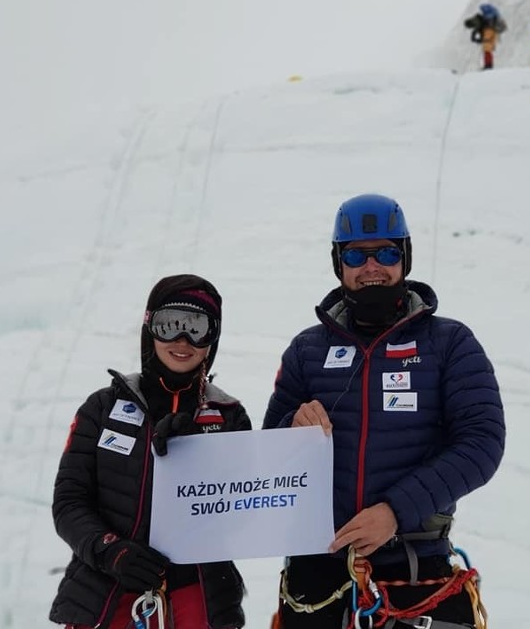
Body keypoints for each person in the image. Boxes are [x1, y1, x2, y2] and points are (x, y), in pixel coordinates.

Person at [264, 194, 506, 629]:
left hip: (416, 567)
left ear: (405, 258)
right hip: (317, 574)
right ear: (338, 263)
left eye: (386, 253)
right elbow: (269, 451)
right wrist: (290, 426)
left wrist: (394, 513)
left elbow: (481, 443)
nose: (371, 267)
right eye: (356, 254)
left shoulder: (449, 343)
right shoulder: (307, 350)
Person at [49, 274, 250, 629]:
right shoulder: (102, 408)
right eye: (169, 325)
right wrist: (110, 550)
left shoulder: (230, 417)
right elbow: (69, 501)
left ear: (212, 338)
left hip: (200, 596)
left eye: (197, 328)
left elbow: (244, 512)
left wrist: (199, 454)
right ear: (149, 327)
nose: (182, 341)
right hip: (108, 591)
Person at [464, 3, 508, 70]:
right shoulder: (492, 18)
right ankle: (488, 65)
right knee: (488, 50)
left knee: (487, 49)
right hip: (493, 33)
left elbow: (479, 27)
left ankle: (488, 66)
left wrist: (479, 38)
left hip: (488, 32)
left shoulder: (484, 19)